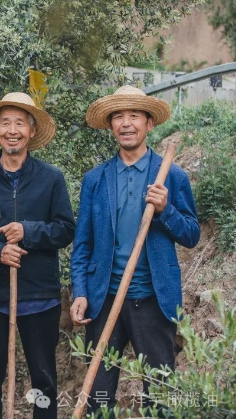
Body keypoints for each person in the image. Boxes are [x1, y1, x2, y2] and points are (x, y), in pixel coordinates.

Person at [70, 85, 200, 416]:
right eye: (118, 117)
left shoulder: (171, 176)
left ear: (149, 123)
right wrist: (80, 291)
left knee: (160, 395)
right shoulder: (95, 179)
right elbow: (83, 243)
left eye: (134, 116)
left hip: (154, 301)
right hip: (104, 301)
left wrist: (166, 210)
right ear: (110, 125)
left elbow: (191, 235)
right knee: (99, 397)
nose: (126, 123)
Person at [0, 92, 76, 419]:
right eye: (6, 123)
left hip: (40, 296)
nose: (13, 130)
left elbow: (66, 229)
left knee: (44, 381)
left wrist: (28, 231)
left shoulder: (51, 178)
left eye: (20, 123)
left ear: (32, 131)